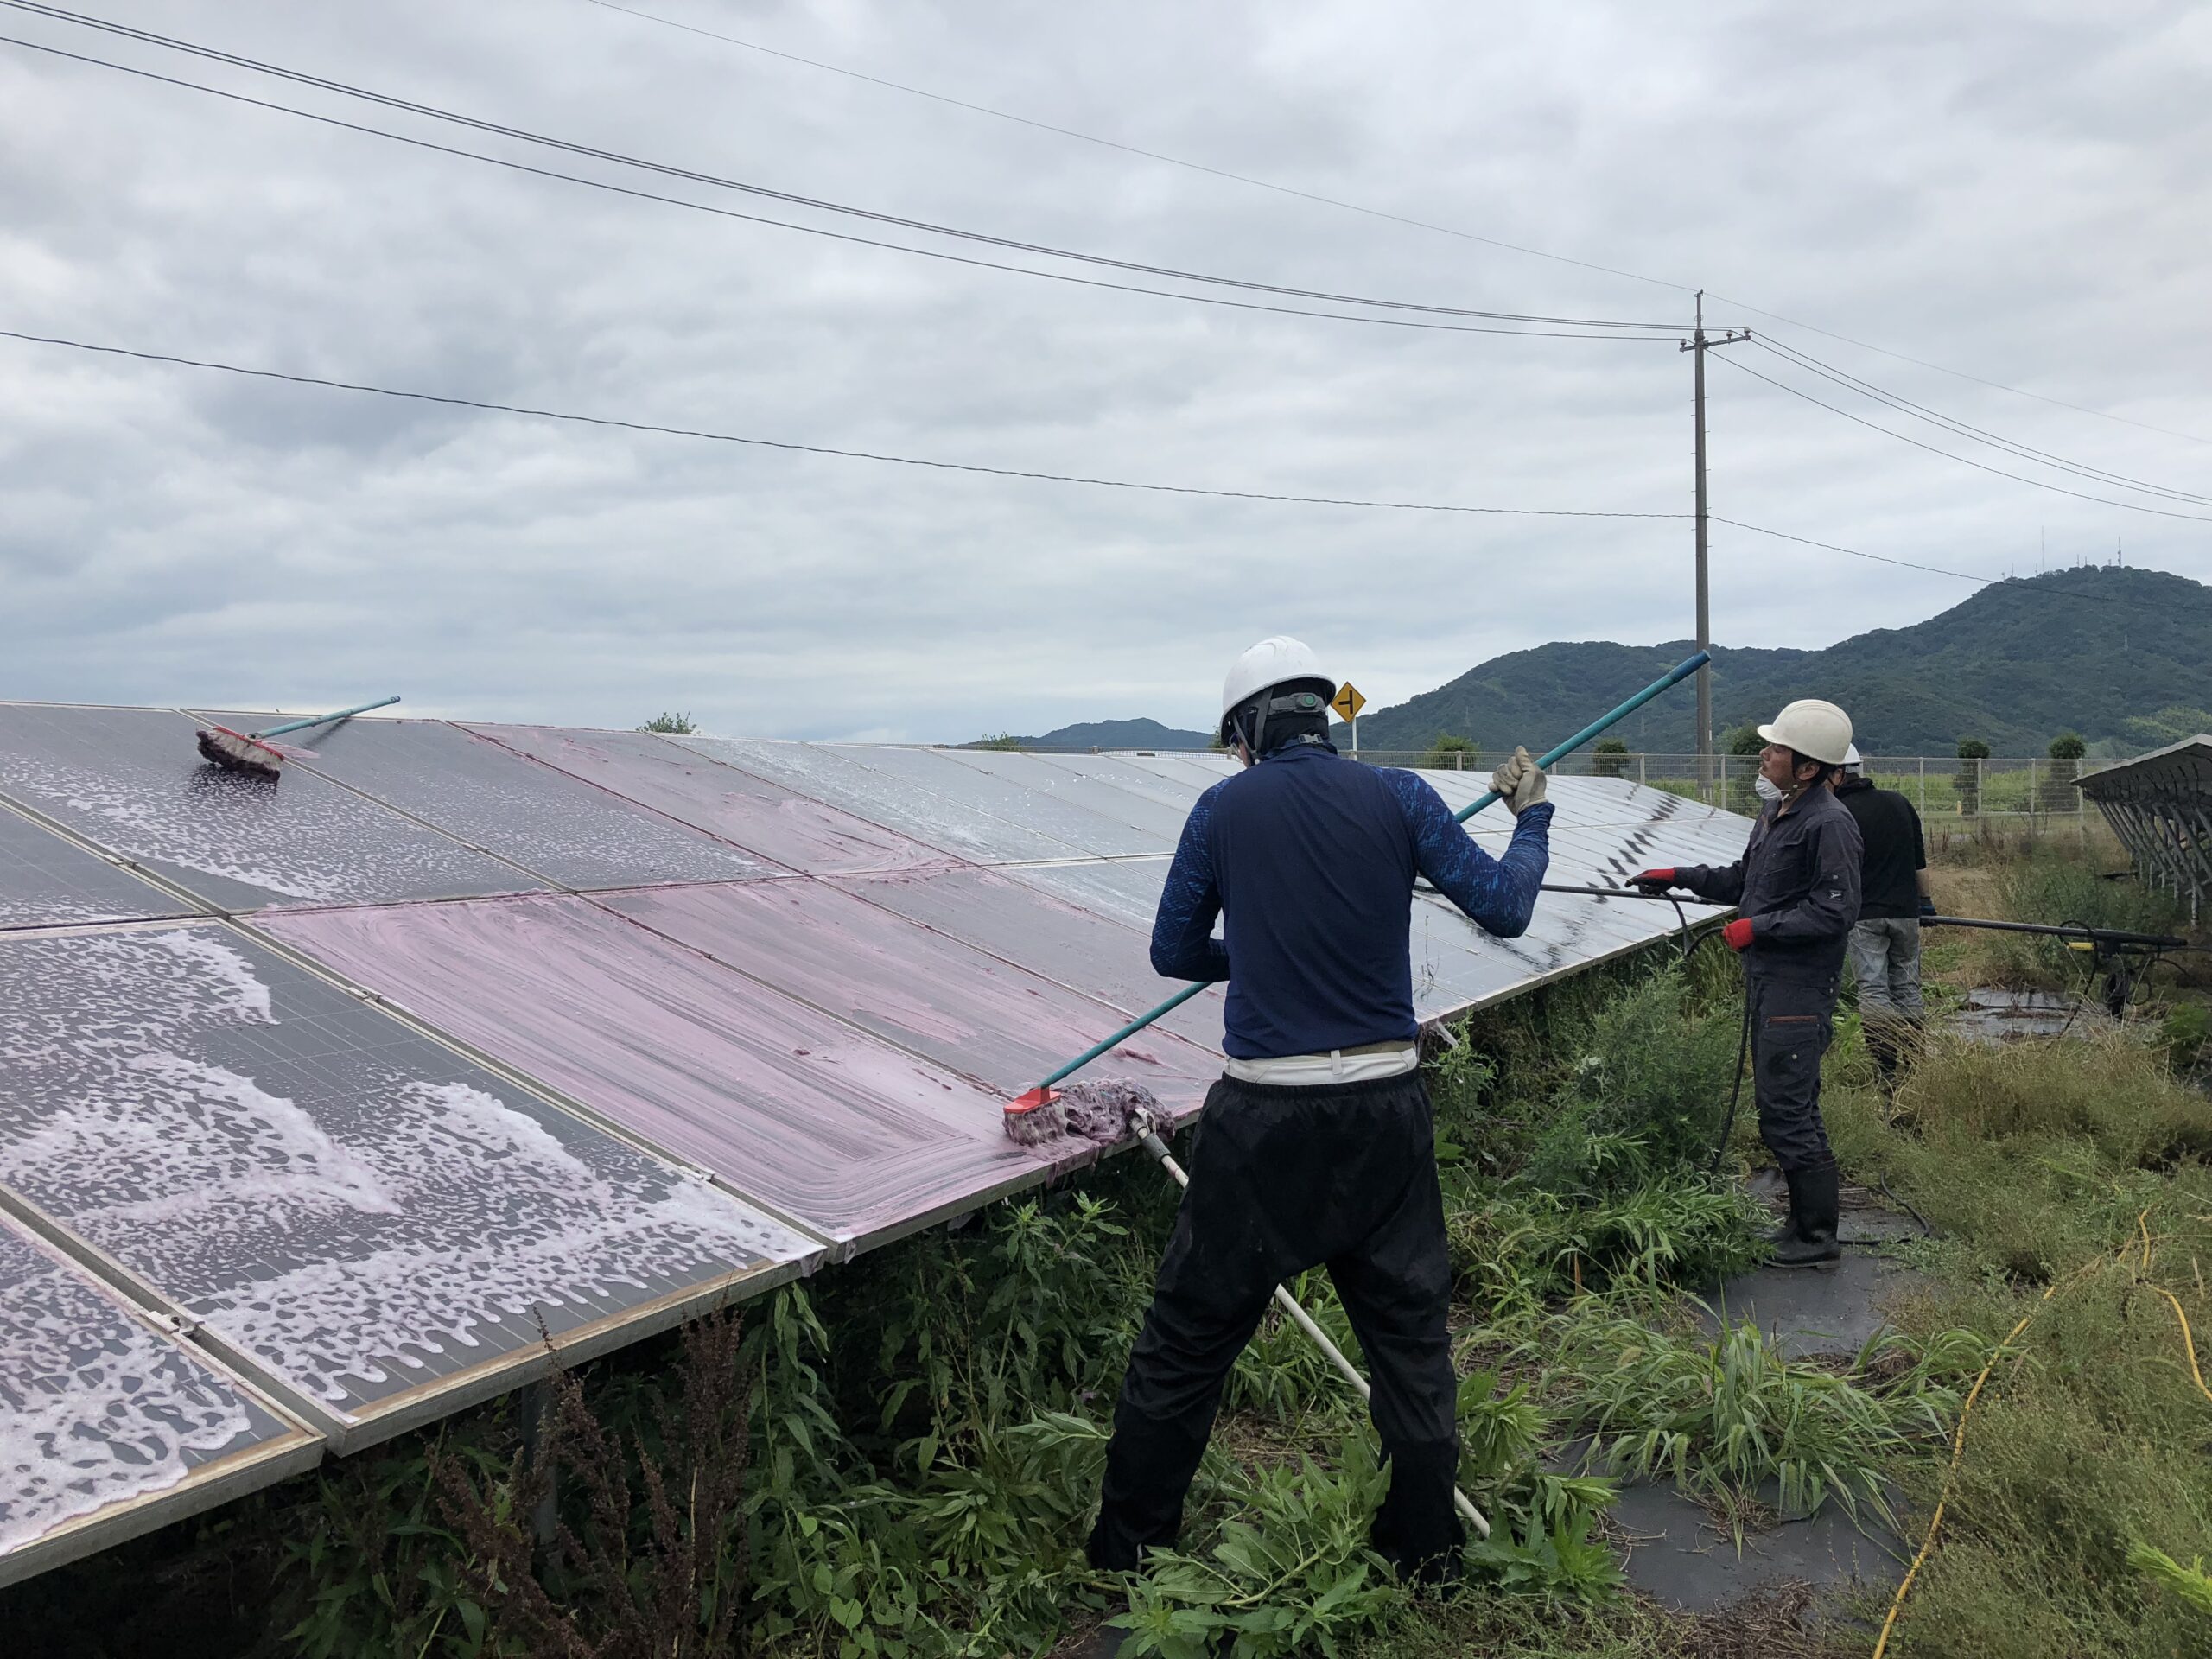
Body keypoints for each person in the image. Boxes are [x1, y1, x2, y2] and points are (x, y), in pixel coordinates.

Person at [1086, 636, 1553, 1584]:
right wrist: (1532, 818)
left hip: (1264, 1119)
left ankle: (1129, 1550)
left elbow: (1174, 951)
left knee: (1187, 1340)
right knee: (1409, 1341)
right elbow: (1504, 907)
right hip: (1385, 1108)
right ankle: (1425, 1552)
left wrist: (1259, 950)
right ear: (1323, 717)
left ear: (1247, 729)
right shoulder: (1402, 798)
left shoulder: (1221, 811)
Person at [1630, 700, 1862, 1267]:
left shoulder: (1829, 824)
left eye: (1777, 748)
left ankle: (1816, 1238)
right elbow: (1742, 880)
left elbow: (1835, 912)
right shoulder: (1779, 814)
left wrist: (1758, 928)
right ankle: (1803, 1227)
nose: (1765, 754)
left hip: (1799, 990)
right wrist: (1679, 877)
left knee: (1786, 1108)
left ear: (1807, 767)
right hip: (1769, 984)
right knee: (1786, 1105)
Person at [1834, 745, 1933, 1093]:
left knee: (1873, 987)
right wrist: (1926, 904)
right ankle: (1915, 1057)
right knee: (1907, 985)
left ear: (1837, 773)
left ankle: (1886, 1066)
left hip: (1865, 916)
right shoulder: (1899, 803)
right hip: (1907, 912)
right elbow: (1919, 865)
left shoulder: (1838, 812)